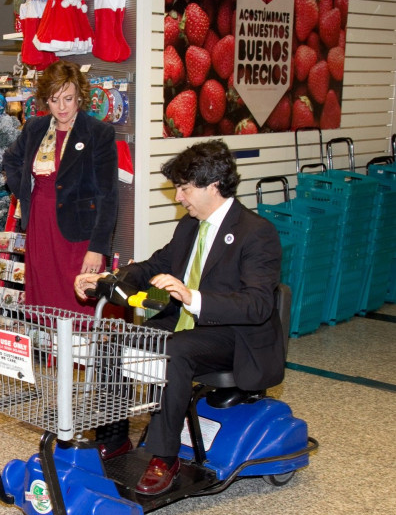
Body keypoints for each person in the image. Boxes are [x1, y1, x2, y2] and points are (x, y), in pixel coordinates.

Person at [74, 140, 284, 496]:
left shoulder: (256, 233)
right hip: (186, 326)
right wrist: (108, 280)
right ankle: (114, 438)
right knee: (114, 342)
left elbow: (258, 305)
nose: (179, 197)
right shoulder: (190, 227)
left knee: (176, 349)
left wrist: (193, 297)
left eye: (184, 188)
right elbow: (153, 266)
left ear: (212, 185)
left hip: (235, 335)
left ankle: (164, 456)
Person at [4, 60, 118, 314]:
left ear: (80, 95)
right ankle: (50, 354)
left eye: (68, 98)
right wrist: (25, 193)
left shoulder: (99, 133)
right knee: (44, 302)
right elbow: (10, 159)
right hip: (40, 228)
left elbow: (107, 196)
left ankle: (78, 355)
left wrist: (97, 249)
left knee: (79, 304)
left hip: (79, 236)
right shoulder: (35, 128)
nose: (62, 107)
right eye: (54, 100)